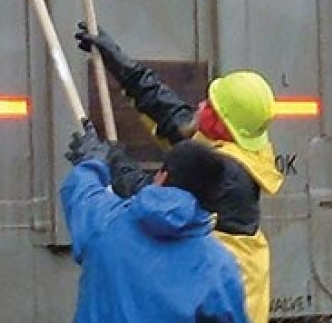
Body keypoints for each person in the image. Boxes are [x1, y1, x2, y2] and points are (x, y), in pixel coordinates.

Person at [75, 22, 283, 323]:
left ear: (219, 121)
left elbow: (156, 199)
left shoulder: (229, 175)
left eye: (210, 104)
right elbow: (175, 117)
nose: (201, 103)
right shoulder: (233, 145)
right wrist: (121, 64)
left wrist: (106, 159)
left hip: (227, 305)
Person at [60, 120, 249, 323]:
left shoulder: (105, 221)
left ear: (162, 176)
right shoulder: (219, 267)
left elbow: (81, 193)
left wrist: (91, 163)